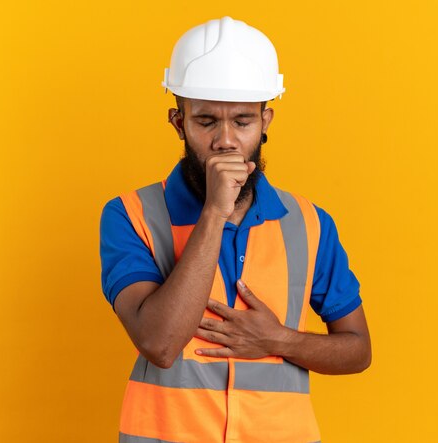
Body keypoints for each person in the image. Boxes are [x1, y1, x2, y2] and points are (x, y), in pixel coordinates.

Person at [100, 16, 371, 443]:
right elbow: (160, 344)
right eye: (206, 121)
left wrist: (279, 339)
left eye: (242, 122)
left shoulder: (310, 223)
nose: (226, 141)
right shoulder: (130, 215)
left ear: (266, 122)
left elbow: (357, 350)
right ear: (178, 122)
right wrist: (214, 212)